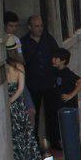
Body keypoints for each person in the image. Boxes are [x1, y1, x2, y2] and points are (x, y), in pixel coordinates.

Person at [20, 15, 59, 148]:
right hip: (33, 84)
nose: (39, 28)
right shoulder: (23, 42)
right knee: (33, 114)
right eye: (36, 26)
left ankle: (54, 141)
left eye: (41, 25)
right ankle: (35, 143)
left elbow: (57, 54)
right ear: (30, 27)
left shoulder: (48, 39)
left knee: (52, 113)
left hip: (49, 82)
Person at [5, 38, 41, 160]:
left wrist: (7, 101)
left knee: (15, 134)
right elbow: (20, 89)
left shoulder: (3, 67)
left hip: (10, 104)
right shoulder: (20, 67)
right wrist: (12, 100)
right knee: (24, 133)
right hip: (18, 104)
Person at [48, 48, 81, 155]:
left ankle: (72, 157)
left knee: (69, 133)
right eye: (53, 58)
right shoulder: (55, 72)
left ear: (63, 61)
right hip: (59, 107)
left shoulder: (67, 73)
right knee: (62, 134)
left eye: (56, 58)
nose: (53, 60)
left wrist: (70, 95)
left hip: (68, 107)